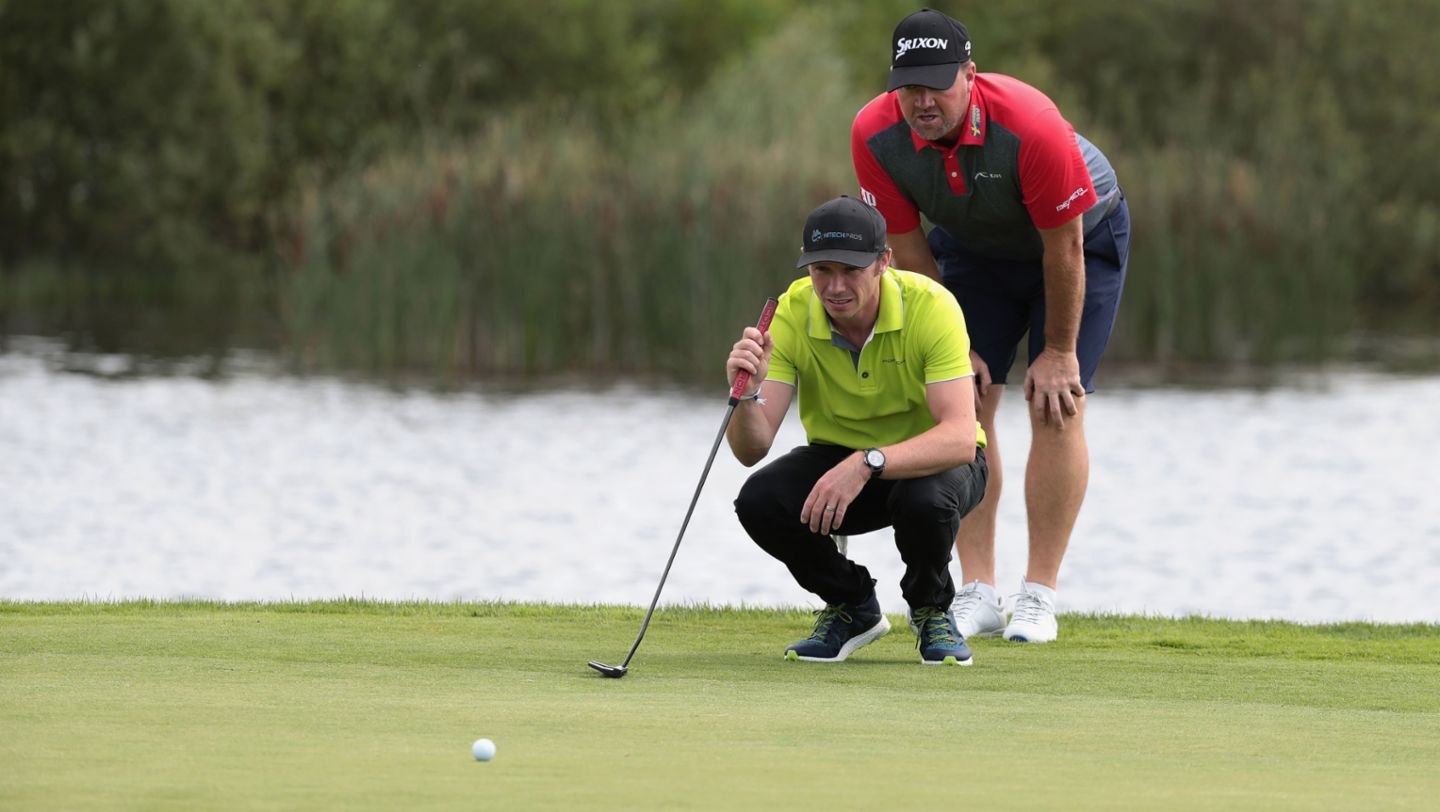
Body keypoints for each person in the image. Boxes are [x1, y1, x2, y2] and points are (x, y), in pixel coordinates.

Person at [850, 8, 1131, 643]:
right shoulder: (874, 134)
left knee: (1054, 401)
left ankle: (1038, 596)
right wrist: (961, 347)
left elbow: (1062, 248)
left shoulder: (1030, 123)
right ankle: (977, 590)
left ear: (969, 75)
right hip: (974, 250)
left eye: (936, 84)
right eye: (909, 87)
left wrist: (1058, 350)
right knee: (964, 399)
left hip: (1081, 238)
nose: (922, 100)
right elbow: (908, 248)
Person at [727, 195, 989, 666]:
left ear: (883, 262)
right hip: (840, 460)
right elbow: (753, 447)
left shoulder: (932, 307)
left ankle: (931, 609)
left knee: (924, 501)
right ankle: (852, 607)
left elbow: (959, 438)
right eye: (821, 270)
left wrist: (867, 462)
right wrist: (747, 392)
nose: (835, 286)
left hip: (936, 465)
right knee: (760, 499)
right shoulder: (791, 311)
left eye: (851, 270)